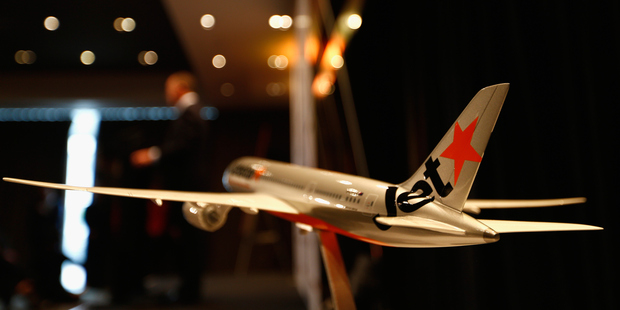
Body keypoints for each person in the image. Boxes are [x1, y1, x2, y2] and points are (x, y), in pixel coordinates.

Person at [130, 71, 209, 304]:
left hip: (188, 188)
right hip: (189, 187)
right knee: (187, 240)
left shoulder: (191, 112)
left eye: (168, 88)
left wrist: (152, 155)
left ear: (179, 89)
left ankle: (189, 292)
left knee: (189, 240)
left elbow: (181, 147)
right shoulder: (193, 111)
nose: (166, 94)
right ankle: (188, 290)